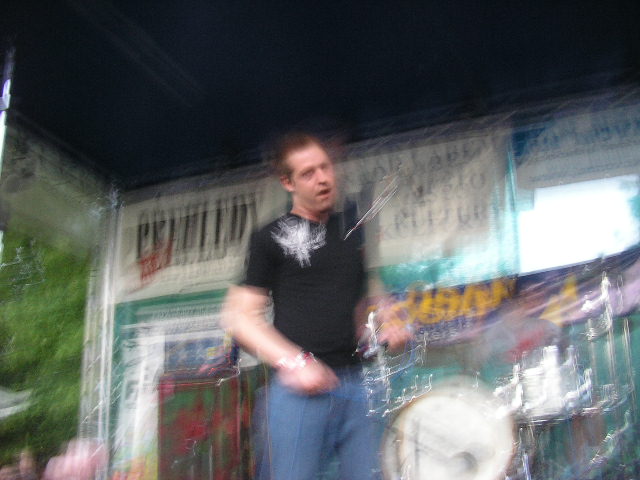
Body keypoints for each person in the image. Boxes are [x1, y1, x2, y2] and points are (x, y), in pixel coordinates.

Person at [222, 132, 409, 480]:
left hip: (357, 384)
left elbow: (367, 298)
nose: (322, 178)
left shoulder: (353, 230)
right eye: (308, 173)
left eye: (325, 167)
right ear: (287, 182)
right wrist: (295, 362)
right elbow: (239, 318)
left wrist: (387, 321)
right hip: (298, 394)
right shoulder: (270, 237)